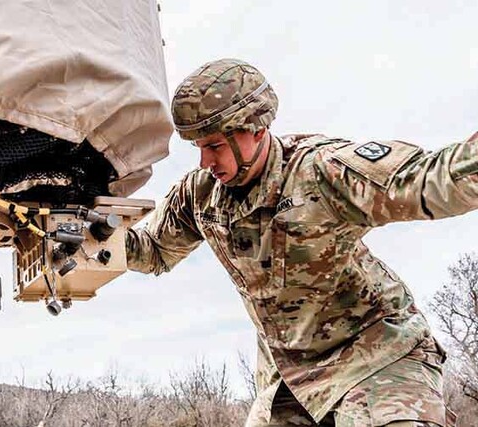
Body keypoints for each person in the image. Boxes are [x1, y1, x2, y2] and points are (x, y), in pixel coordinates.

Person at [126, 58, 473, 426]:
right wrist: (83, 235)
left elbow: (431, 179)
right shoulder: (200, 195)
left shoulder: (321, 171)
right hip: (292, 379)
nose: (205, 160)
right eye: (198, 147)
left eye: (215, 146)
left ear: (256, 129)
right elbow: (152, 251)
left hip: (377, 358)